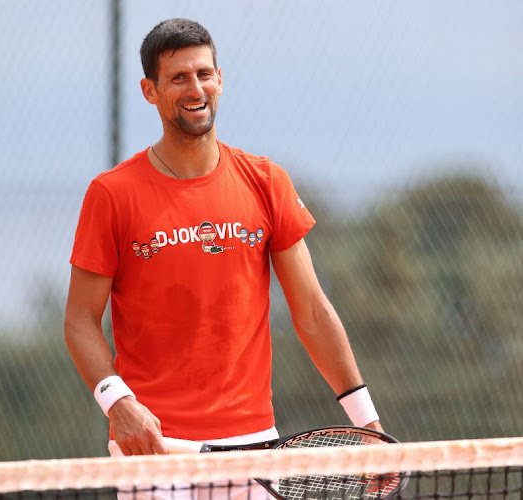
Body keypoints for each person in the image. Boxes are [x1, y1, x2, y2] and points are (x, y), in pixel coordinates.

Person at [64, 17, 382, 495]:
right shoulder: (111, 194)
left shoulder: (266, 181)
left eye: (204, 74)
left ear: (220, 80)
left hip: (256, 447)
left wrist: (367, 425)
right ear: (150, 91)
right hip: (155, 452)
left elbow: (312, 312)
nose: (196, 88)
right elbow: (79, 320)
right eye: (178, 78)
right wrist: (118, 403)